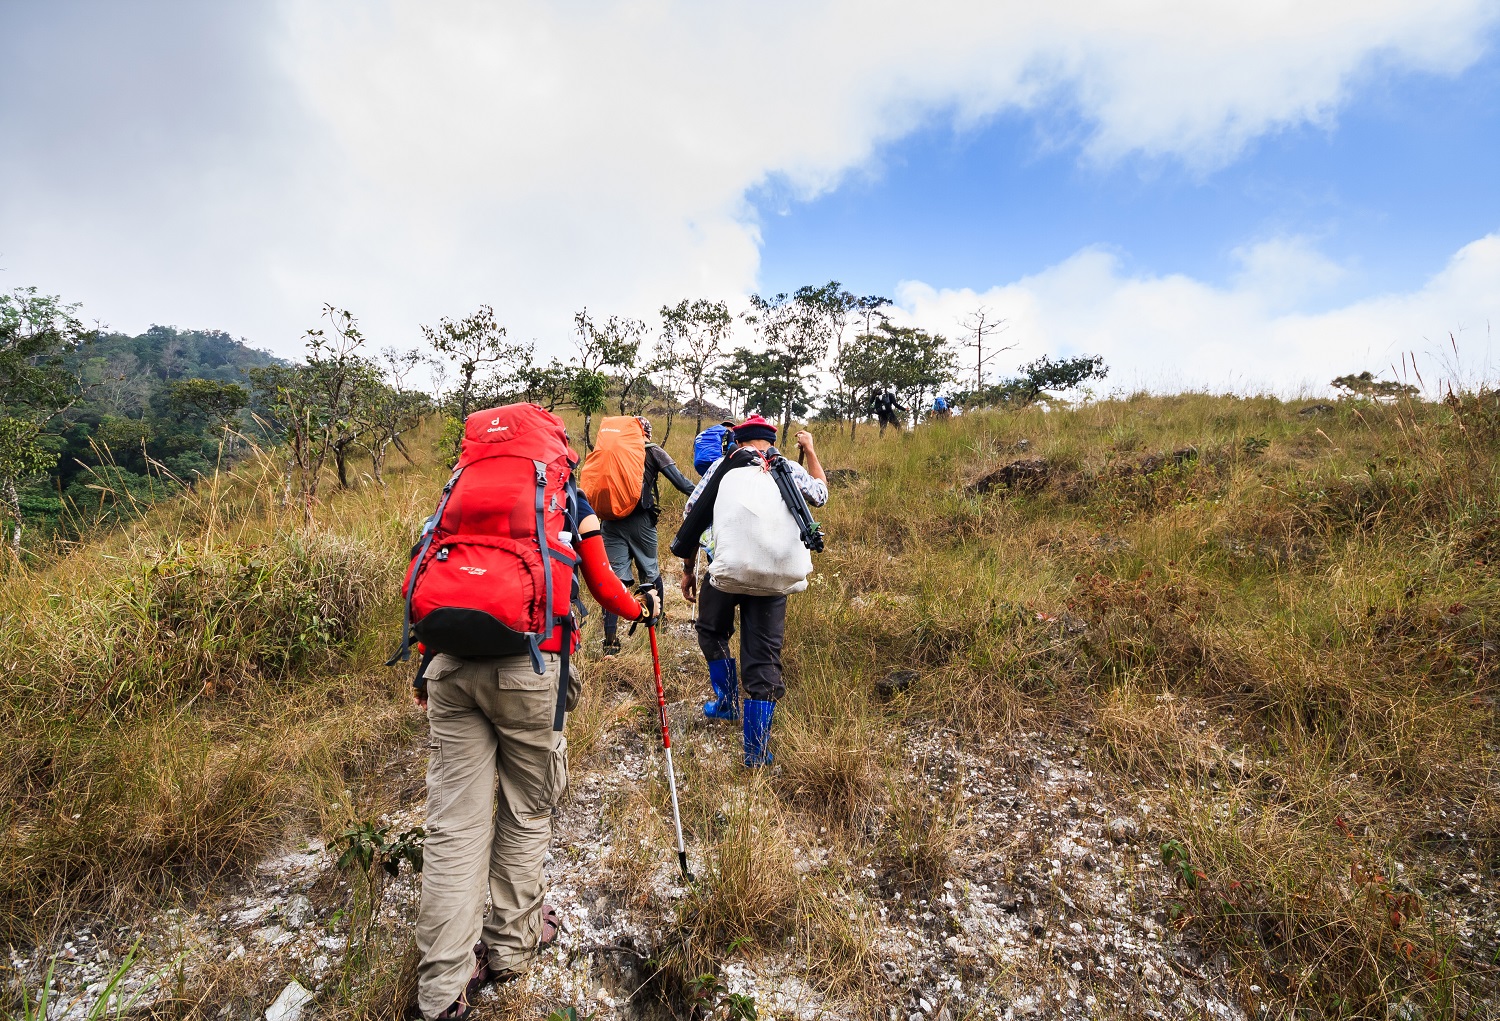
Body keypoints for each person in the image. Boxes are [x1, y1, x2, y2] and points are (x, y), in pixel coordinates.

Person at [411, 410, 654, 1020]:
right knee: (526, 811)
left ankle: (439, 994)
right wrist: (641, 609)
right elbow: (602, 585)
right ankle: (511, 950)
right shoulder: (565, 497)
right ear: (553, 447)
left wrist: (425, 666)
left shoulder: (456, 494)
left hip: (449, 666)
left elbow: (433, 573)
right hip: (531, 670)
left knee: (453, 829)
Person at [671, 415, 828, 766]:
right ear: (770, 440)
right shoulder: (787, 469)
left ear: (738, 440)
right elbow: (821, 493)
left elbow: (693, 513)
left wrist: (687, 570)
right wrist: (811, 451)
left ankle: (726, 703)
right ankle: (755, 752)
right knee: (763, 659)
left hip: (724, 571)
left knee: (711, 632)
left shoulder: (723, 467)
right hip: (772, 578)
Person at [600, 416, 696, 656]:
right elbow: (681, 483)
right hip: (640, 521)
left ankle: (610, 641)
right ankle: (658, 628)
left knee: (613, 578)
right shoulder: (652, 451)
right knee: (650, 572)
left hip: (609, 521)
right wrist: (703, 495)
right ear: (648, 433)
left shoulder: (609, 449)